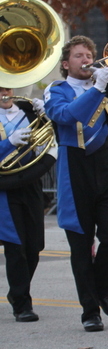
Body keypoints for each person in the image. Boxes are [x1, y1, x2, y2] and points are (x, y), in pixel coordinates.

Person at [44, 35, 108, 332]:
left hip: (105, 168)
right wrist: (96, 89)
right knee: (81, 245)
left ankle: (102, 289)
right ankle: (90, 311)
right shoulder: (56, 90)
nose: (86, 60)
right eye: (78, 56)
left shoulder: (104, 87)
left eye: (89, 55)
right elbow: (65, 115)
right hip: (75, 171)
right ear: (66, 64)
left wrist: (107, 83)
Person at [0, 90, 57, 322]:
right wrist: (8, 143)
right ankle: (22, 304)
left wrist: (48, 115)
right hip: (6, 187)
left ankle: (16, 293)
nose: (5, 93)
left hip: (31, 183)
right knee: (17, 248)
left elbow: (52, 135)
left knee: (34, 246)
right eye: (0, 88)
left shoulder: (29, 113)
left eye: (8, 88)